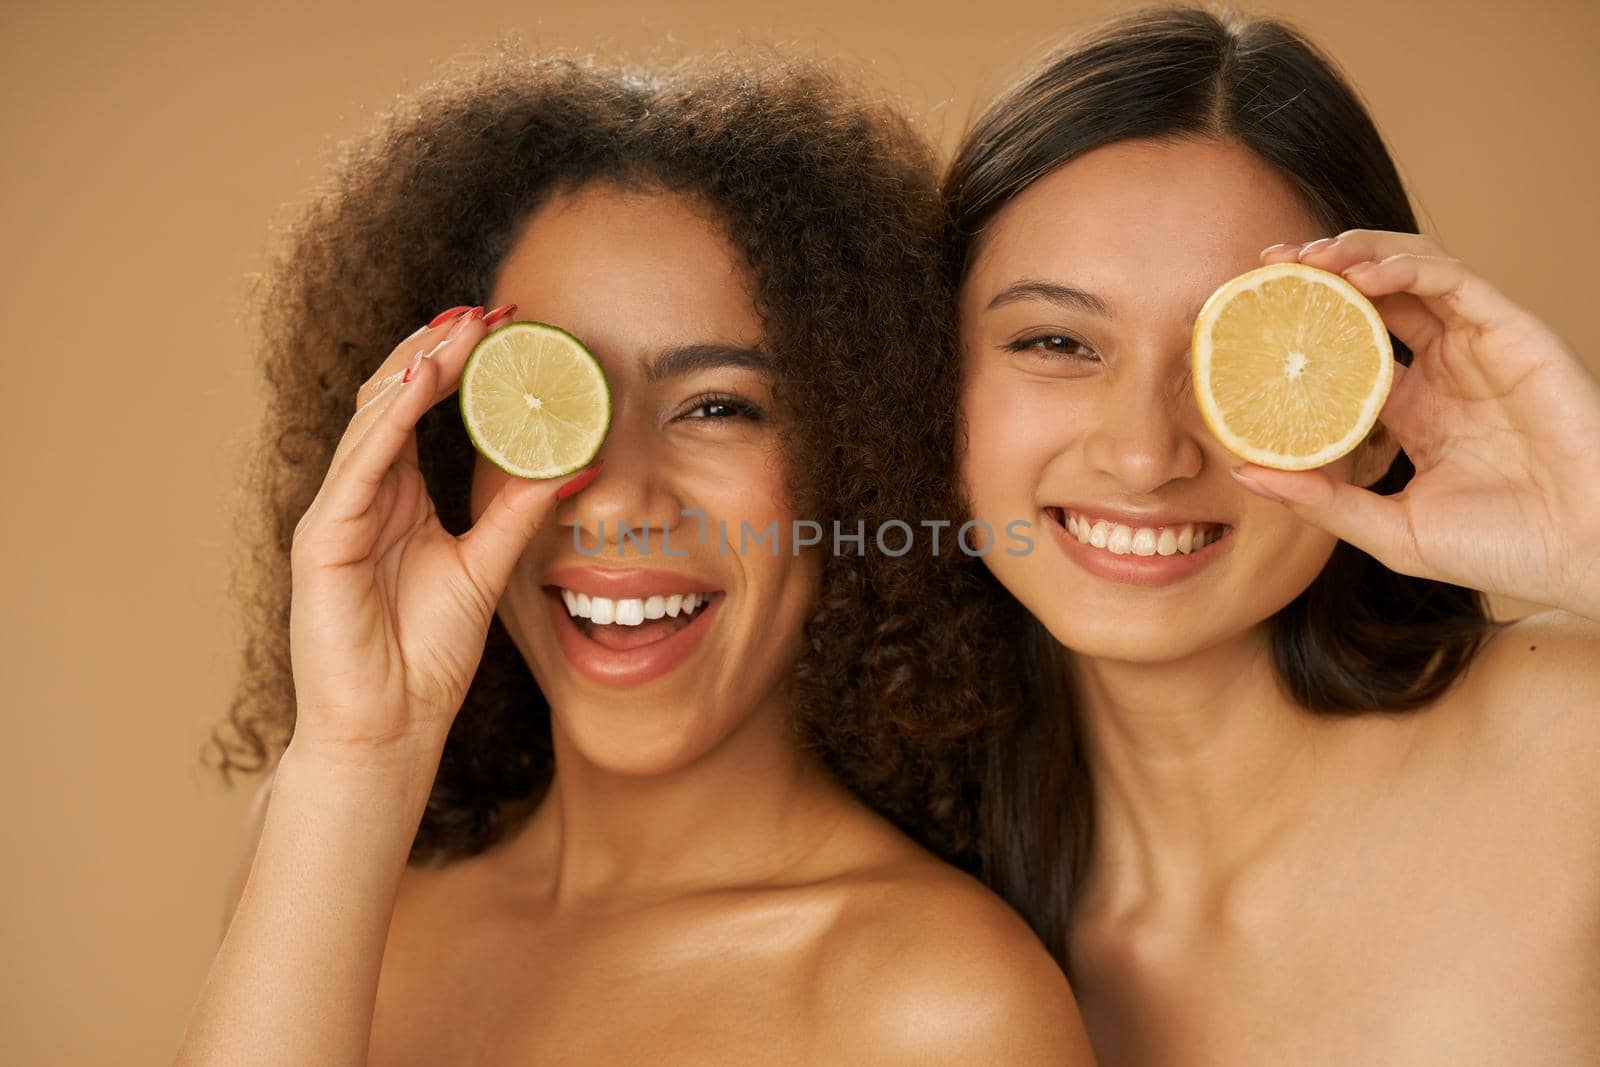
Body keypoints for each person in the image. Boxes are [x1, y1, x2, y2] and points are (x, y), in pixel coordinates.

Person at [179, 53, 1092, 1065]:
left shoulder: (939, 1004)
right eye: (548, 400)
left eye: (717, 407)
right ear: (448, 455)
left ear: (860, 458)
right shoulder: (326, 846)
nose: (615, 496)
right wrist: (356, 756)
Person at [937, 7, 1600, 1063]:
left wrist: (1588, 537)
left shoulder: (1574, 760)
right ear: (935, 391)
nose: (1147, 453)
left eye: (1236, 353)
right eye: (1057, 341)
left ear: (1376, 415)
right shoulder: (911, 919)